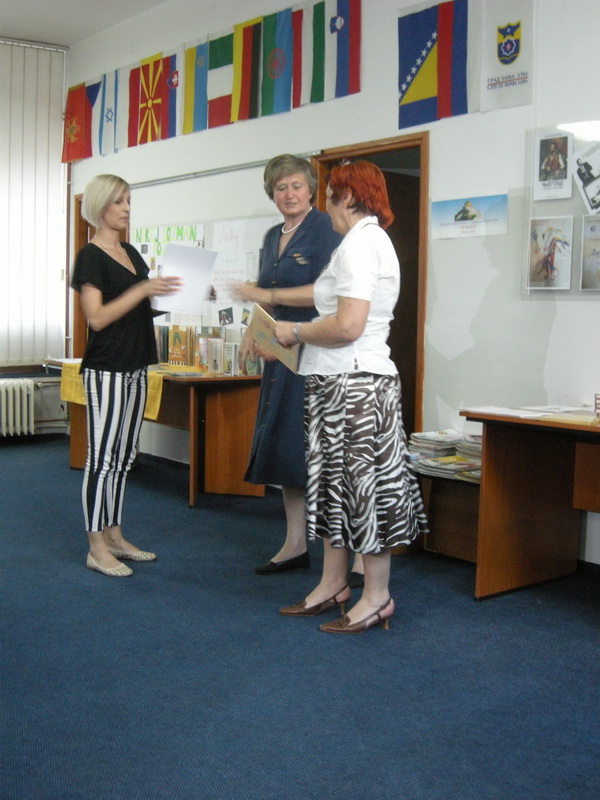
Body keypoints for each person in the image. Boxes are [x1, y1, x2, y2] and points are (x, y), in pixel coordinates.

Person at [272, 161, 428, 634]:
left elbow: (348, 326)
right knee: (333, 489)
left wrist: (295, 332)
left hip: (356, 385)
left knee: (363, 491)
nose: (325, 206)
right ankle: (333, 584)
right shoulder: (357, 242)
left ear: (346, 197)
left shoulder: (362, 244)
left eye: (328, 196)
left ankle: (377, 597)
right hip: (335, 380)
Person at [232, 155, 342, 575]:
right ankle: (295, 543)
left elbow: (327, 292)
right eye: (281, 188)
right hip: (279, 355)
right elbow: (265, 292)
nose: (289, 194)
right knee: (283, 448)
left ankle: (344, 554)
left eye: (296, 186)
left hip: (315, 351)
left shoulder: (326, 229)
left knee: (316, 451)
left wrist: (269, 298)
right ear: (272, 194)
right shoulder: (271, 236)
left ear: (311, 189)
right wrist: (252, 329)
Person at [71, 174, 181, 577]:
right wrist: (142, 290)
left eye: (129, 201)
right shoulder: (90, 256)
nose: (127, 208)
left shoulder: (130, 252)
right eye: (119, 201)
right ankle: (95, 546)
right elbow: (97, 318)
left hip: (137, 364)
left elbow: (138, 307)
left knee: (123, 457)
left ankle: (115, 535)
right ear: (100, 206)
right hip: (107, 368)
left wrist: (178, 295)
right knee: (101, 459)